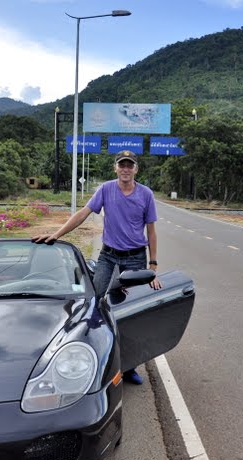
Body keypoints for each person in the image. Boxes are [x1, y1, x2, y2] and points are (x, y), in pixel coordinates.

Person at [32, 150, 161, 385]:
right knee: (94, 303)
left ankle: (130, 366)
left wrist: (152, 265)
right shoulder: (106, 189)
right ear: (115, 168)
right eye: (121, 165)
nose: (125, 169)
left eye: (129, 166)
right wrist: (56, 234)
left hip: (135, 259)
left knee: (132, 310)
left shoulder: (146, 195)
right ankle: (91, 357)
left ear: (136, 170)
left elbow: (151, 231)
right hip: (108, 257)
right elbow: (83, 214)